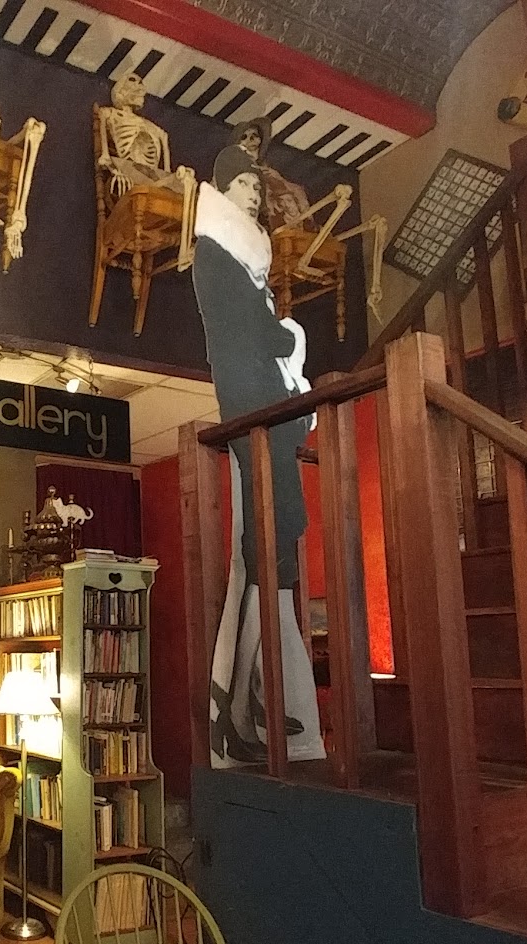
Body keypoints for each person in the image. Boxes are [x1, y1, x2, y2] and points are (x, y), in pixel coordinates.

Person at [192, 148, 322, 767]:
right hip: (254, 410)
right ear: (222, 189)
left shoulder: (241, 256)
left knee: (272, 549)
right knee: (265, 548)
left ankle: (252, 698)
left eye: (254, 184)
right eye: (241, 183)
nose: (251, 192)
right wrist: (289, 334)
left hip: (264, 410)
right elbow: (248, 331)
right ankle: (241, 704)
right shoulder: (218, 255)